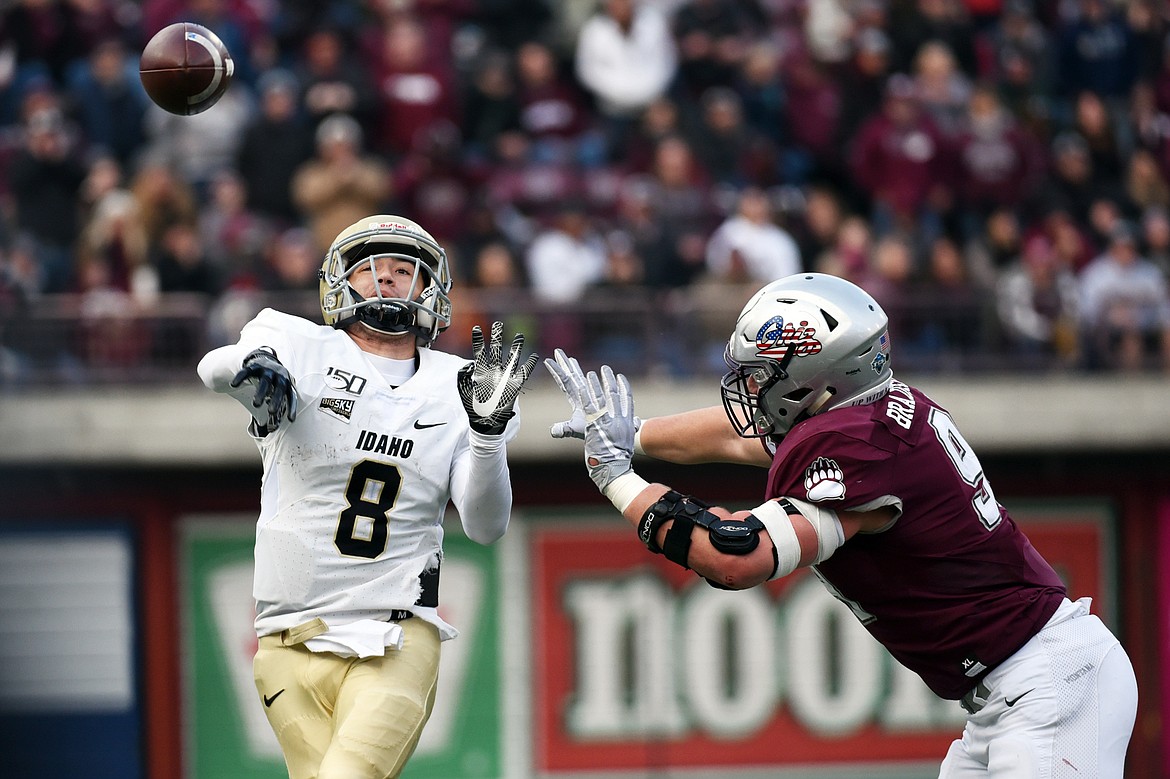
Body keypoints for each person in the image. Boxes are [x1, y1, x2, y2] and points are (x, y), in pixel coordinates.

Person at [546, 272, 1137, 778]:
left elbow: (734, 555)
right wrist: (635, 432)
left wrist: (616, 477)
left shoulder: (856, 446)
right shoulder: (869, 413)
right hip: (1013, 692)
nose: (749, 389)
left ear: (820, 376)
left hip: (1050, 685)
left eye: (763, 374)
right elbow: (743, 434)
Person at [197, 215, 538, 779]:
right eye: (368, 271)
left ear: (431, 290)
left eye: (403, 271)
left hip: (393, 635)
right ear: (340, 284)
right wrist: (255, 368)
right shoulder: (296, 346)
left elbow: (485, 525)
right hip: (285, 641)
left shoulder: (463, 385)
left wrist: (486, 436)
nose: (385, 282)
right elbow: (215, 368)